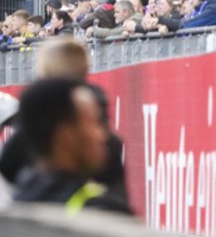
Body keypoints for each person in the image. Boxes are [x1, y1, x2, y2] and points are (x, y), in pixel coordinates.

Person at [10, 77, 130, 214]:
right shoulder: (102, 212)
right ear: (66, 135)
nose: (103, 136)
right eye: (96, 123)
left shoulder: (19, 201)